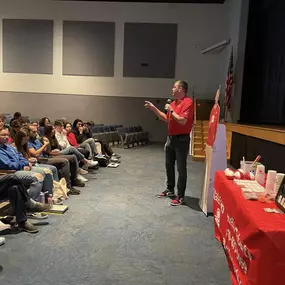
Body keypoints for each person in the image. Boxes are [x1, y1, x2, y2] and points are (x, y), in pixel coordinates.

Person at [144, 80, 194, 206]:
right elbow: (166, 118)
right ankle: (170, 189)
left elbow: (182, 121)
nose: (172, 89)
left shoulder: (188, 102)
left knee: (181, 168)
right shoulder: (173, 103)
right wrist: (153, 108)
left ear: (181, 89)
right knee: (168, 165)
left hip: (182, 139)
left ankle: (180, 196)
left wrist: (171, 110)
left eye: (174, 87)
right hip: (170, 139)